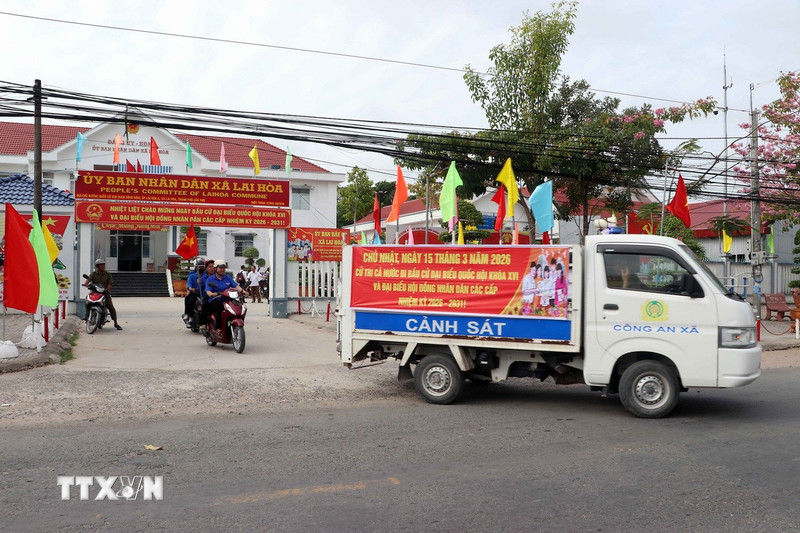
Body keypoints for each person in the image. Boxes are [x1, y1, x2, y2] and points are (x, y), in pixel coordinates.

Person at [202, 261, 244, 331]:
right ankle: (218, 328)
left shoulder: (227, 278)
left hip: (227, 299)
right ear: (215, 268)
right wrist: (212, 294)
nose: (222, 270)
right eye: (220, 268)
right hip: (216, 299)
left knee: (238, 306)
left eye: (224, 268)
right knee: (220, 308)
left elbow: (236, 286)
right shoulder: (210, 279)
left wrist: (244, 291)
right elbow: (208, 291)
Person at [83, 258, 122, 330]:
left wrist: (107, 289)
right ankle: (87, 315)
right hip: (95, 292)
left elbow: (110, 283)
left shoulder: (107, 274)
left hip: (104, 293)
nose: (103, 266)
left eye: (103, 265)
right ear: (97, 266)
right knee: (87, 302)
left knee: (111, 307)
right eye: (101, 265)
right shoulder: (93, 274)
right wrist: (86, 284)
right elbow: (88, 280)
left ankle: (116, 323)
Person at [183, 257, 204, 323]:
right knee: (190, 300)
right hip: (195, 293)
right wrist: (190, 288)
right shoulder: (192, 275)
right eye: (198, 267)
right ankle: (189, 316)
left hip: (203, 293)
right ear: (195, 267)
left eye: (201, 267)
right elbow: (189, 284)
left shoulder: (206, 275)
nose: (200, 268)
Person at [197, 259, 216, 328]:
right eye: (210, 267)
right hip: (207, 296)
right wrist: (199, 283)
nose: (212, 269)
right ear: (206, 268)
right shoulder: (203, 277)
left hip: (218, 295)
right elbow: (202, 287)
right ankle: (203, 323)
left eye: (213, 267)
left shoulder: (219, 275)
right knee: (204, 305)